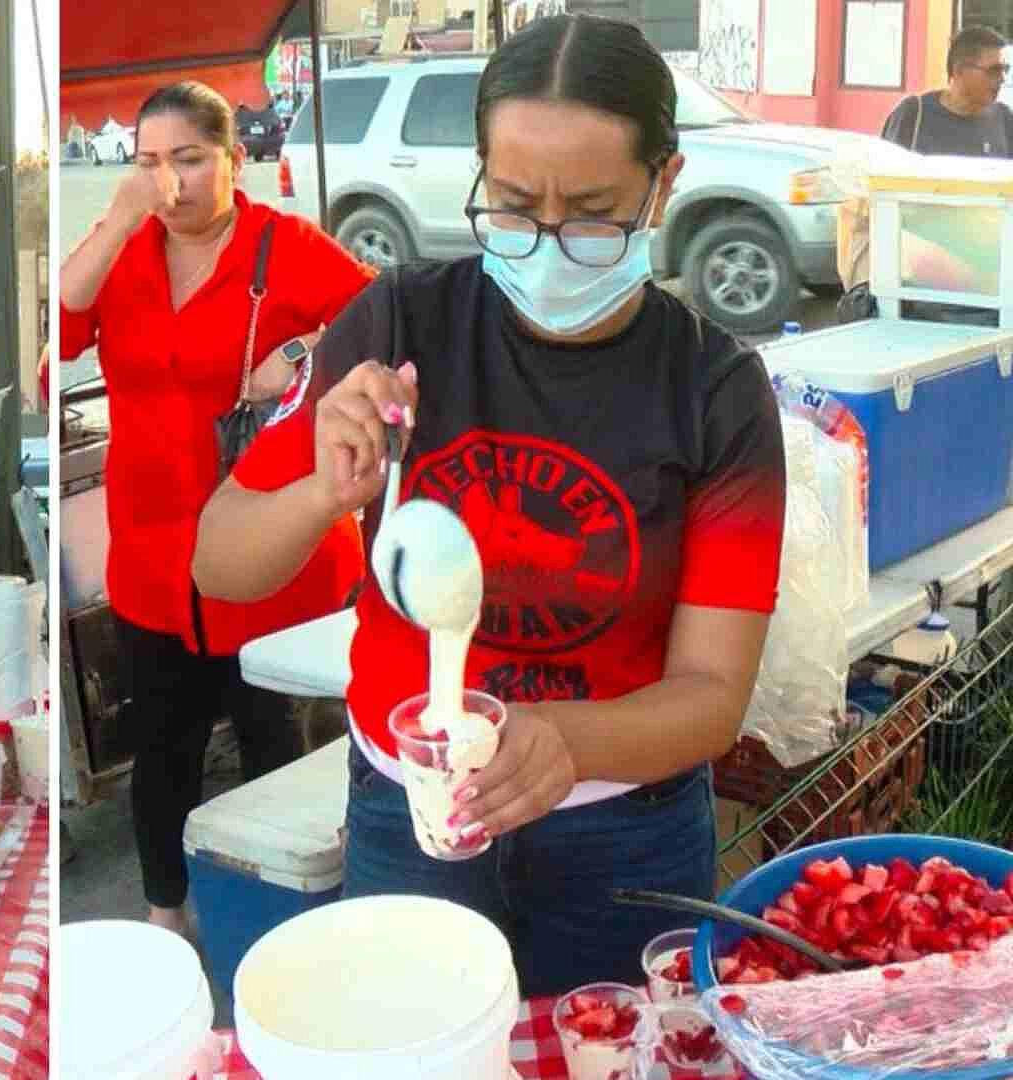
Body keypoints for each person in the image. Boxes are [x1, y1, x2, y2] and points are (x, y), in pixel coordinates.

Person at [193, 13, 786, 997]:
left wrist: (568, 742)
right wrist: (321, 491)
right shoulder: (395, 325)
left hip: (623, 836)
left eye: (593, 214)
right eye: (512, 206)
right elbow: (221, 562)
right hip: (410, 813)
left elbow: (712, 695)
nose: (547, 243)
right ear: (476, 176)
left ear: (664, 186)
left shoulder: (712, 390)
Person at [59, 80, 375, 938]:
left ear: (235, 160)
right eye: (149, 163)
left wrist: (301, 353)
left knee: (275, 742)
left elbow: (383, 326)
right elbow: (59, 325)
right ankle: (168, 915)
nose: (171, 182)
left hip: (274, 552)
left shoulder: (287, 247)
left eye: (190, 160)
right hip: (154, 558)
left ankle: (291, 916)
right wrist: (121, 217)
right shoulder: (122, 251)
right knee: (164, 746)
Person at [882, 26, 1013, 156]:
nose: (1002, 78)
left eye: (1005, 70)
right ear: (959, 70)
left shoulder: (1005, 119)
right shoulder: (913, 113)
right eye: (994, 70)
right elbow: (884, 169)